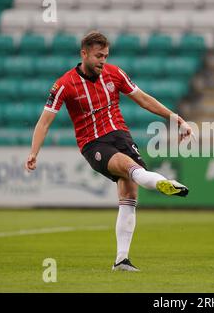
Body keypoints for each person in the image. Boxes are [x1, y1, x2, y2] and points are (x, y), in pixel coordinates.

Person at [25, 31, 193, 271]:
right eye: (98, 56)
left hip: (121, 135)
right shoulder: (64, 84)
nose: (102, 61)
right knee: (127, 167)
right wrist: (34, 152)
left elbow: (144, 99)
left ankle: (121, 260)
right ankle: (160, 182)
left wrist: (176, 118)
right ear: (84, 54)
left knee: (130, 193)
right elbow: (44, 122)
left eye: (105, 56)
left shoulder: (115, 73)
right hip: (93, 143)